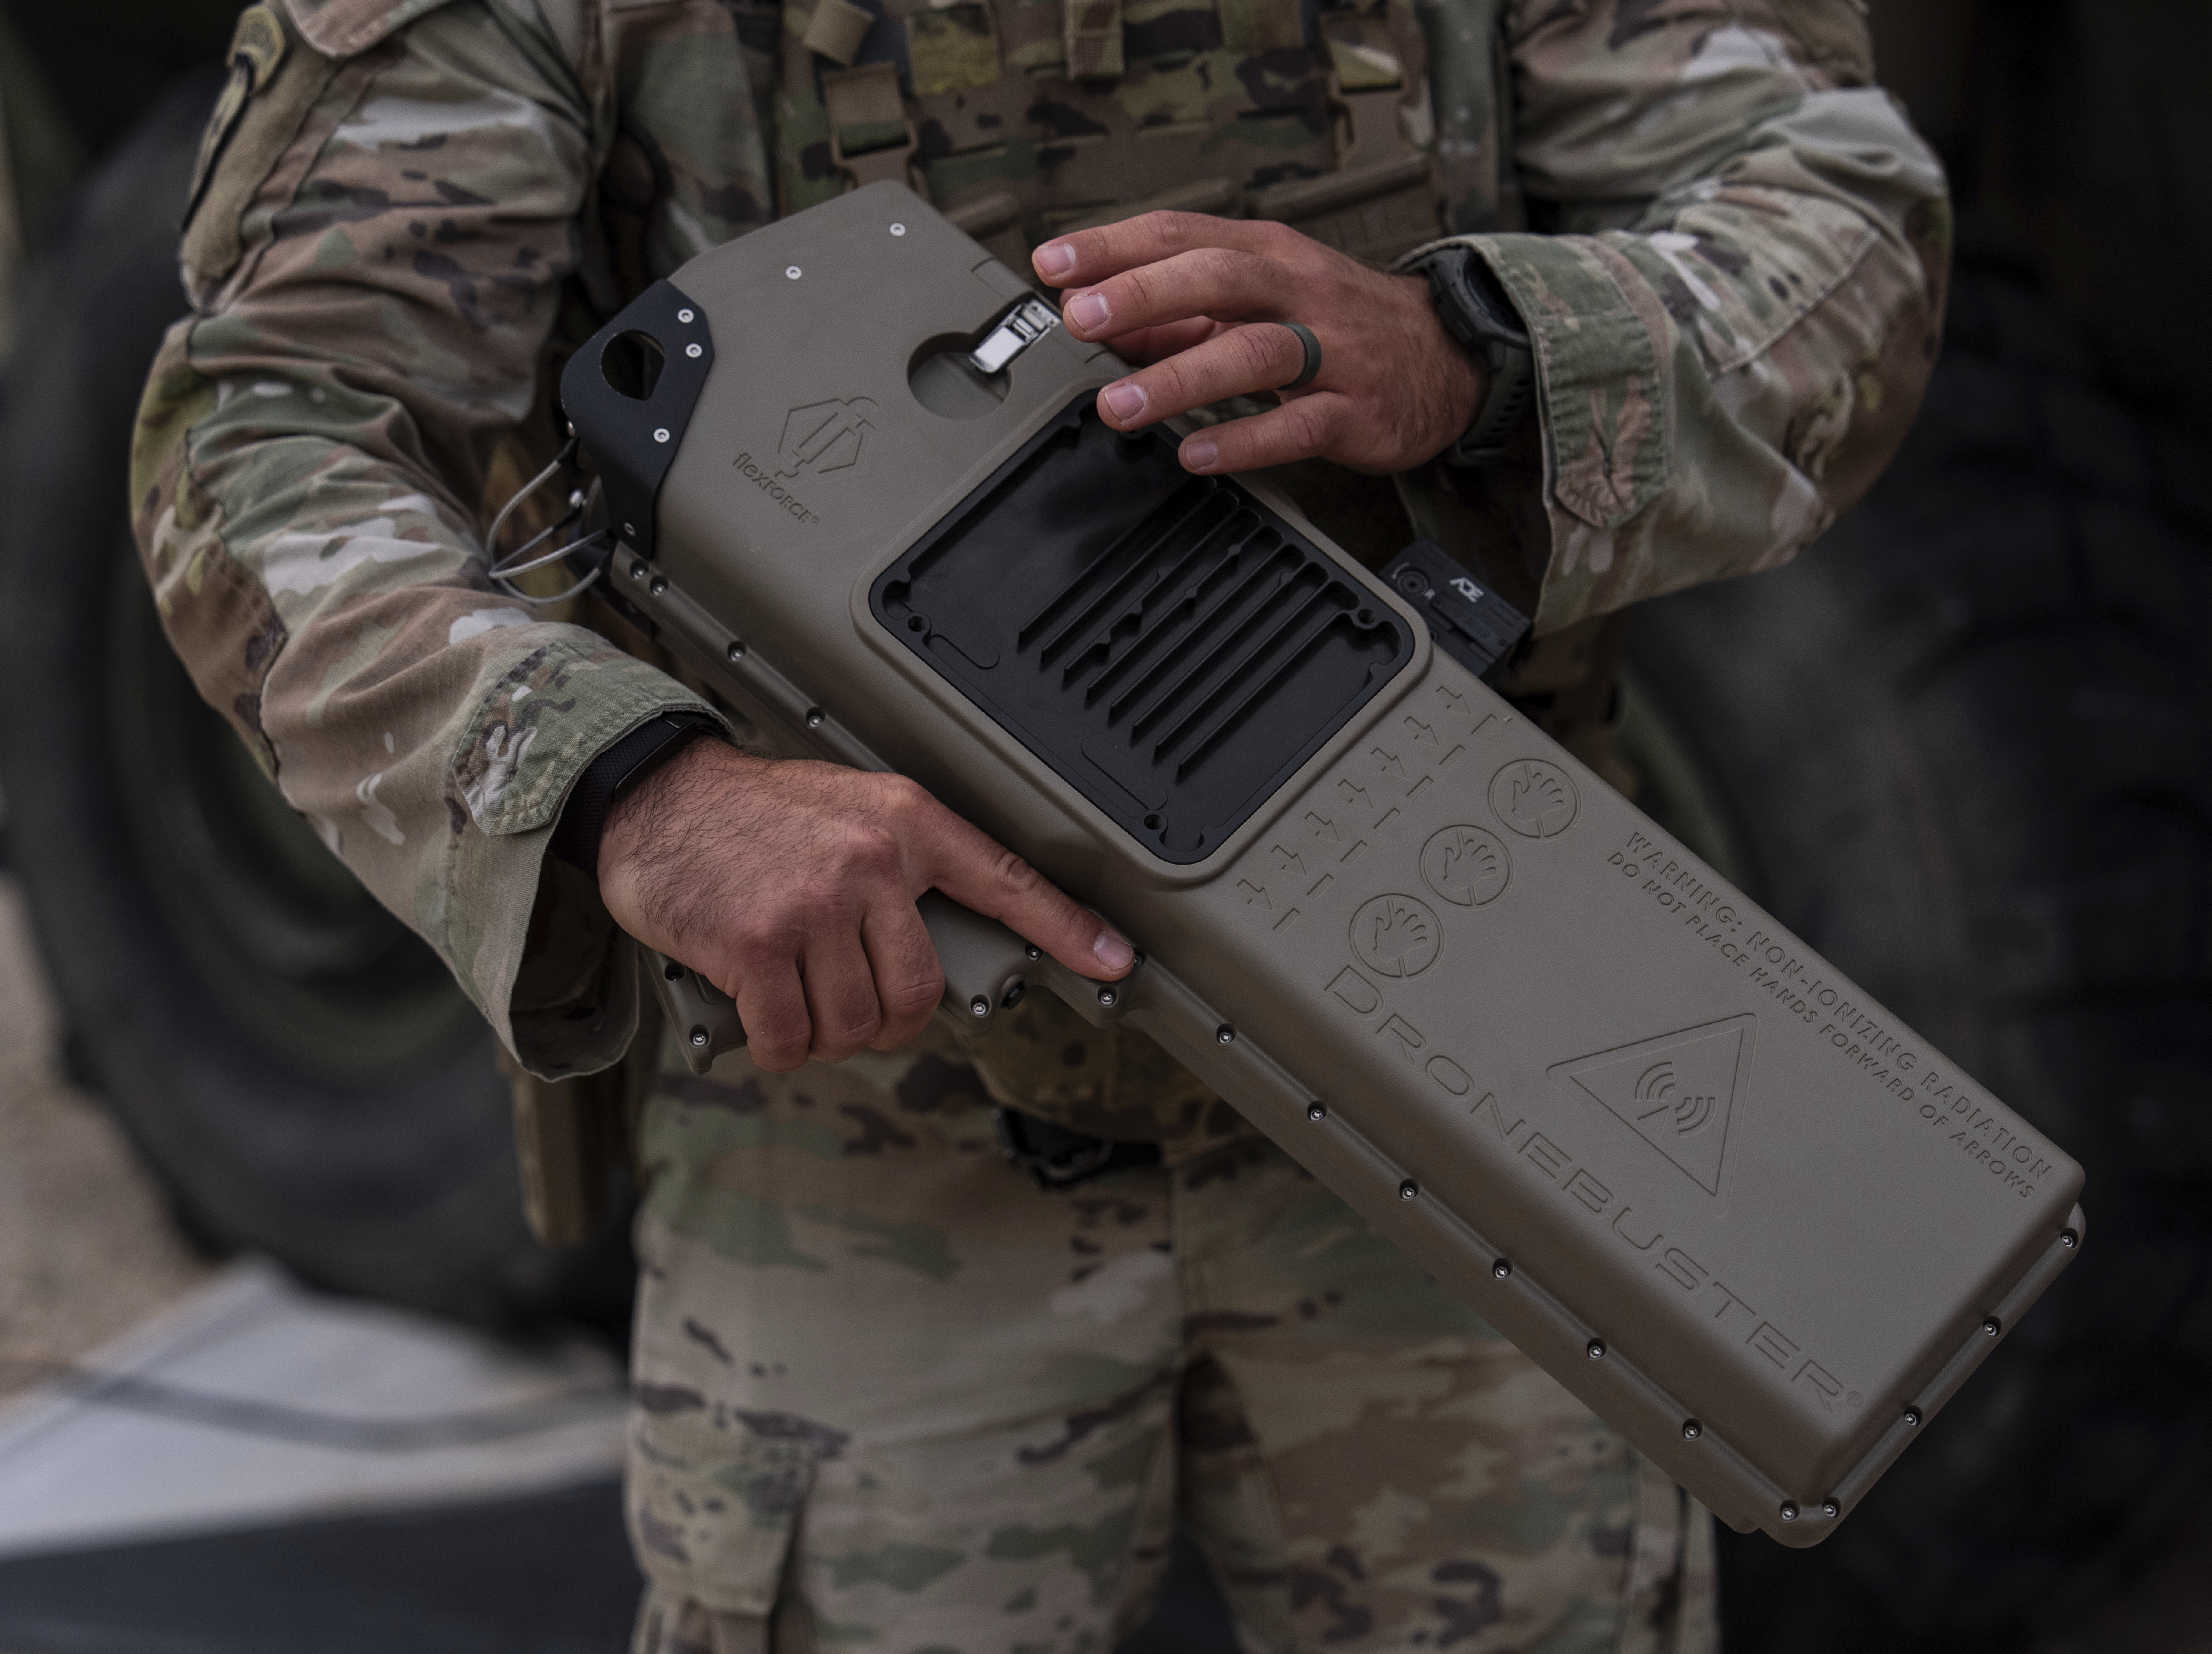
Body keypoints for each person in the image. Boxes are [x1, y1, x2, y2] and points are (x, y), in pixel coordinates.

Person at [132, 0, 1945, 1644]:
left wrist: (1478, 355)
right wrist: (630, 785)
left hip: (1465, 1025)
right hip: (861, 1110)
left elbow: (1838, 229)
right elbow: (274, 425)